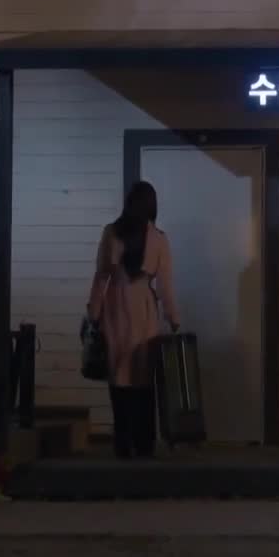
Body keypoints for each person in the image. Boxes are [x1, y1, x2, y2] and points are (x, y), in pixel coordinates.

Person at [87, 181, 180, 459]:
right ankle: (144, 443)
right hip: (144, 308)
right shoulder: (159, 239)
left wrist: (94, 313)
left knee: (119, 378)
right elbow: (165, 286)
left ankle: (122, 443)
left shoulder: (111, 232)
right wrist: (173, 318)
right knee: (143, 379)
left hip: (115, 306)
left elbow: (101, 276)